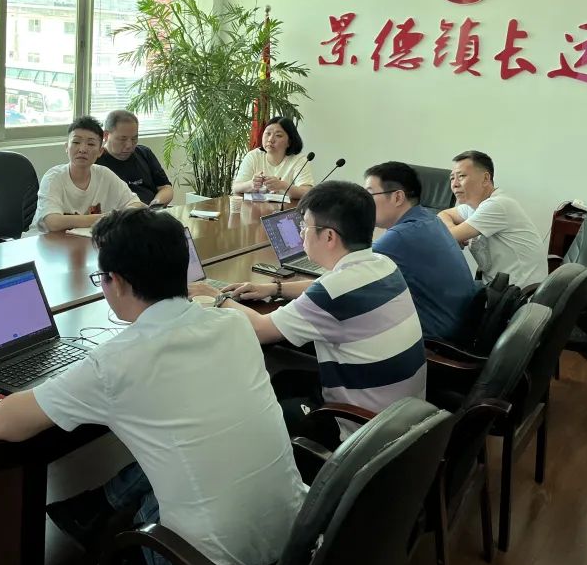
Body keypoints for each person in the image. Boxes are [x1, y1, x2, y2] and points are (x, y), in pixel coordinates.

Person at [0, 208, 305, 565]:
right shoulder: (234, 324)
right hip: (295, 542)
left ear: (118, 283)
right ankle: (95, 510)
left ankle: (98, 522)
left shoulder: (117, 362)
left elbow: (4, 425)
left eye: (102, 278)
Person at [197, 181, 426, 441]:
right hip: (404, 419)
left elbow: (261, 329)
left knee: (256, 412)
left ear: (329, 237)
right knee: (284, 376)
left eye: (304, 226)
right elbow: (326, 286)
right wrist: (275, 288)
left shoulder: (334, 291)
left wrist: (214, 295)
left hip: (361, 431)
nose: (301, 233)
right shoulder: (382, 263)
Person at [363, 162, 478, 342]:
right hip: (459, 325)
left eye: (369, 194)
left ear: (397, 197)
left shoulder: (400, 236)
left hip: (435, 341)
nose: (364, 202)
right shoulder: (429, 220)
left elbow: (348, 274)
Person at [437, 150, 547, 288]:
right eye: (452, 178)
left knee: (442, 290)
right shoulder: (473, 206)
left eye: (461, 176)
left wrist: (454, 234)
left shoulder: (497, 205)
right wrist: (453, 231)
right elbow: (443, 215)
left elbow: (446, 236)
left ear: (485, 178)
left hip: (518, 294)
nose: (454, 184)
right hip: (495, 287)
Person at [32, 116, 144, 233]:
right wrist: (105, 218)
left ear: (100, 151)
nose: (82, 149)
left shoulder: (104, 174)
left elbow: (137, 205)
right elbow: (52, 222)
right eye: (76, 142)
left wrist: (115, 217)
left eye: (90, 144)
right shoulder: (53, 177)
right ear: (66, 147)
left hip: (86, 240)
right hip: (44, 240)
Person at [96, 110, 173, 206]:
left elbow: (166, 187)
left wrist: (155, 205)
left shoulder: (144, 153)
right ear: (106, 135)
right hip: (119, 213)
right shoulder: (95, 161)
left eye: (134, 139)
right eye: (123, 139)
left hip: (151, 211)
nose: (129, 145)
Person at [231, 116, 313, 201]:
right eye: (268, 134)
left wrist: (282, 185)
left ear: (289, 142)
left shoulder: (299, 160)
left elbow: (307, 192)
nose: (270, 139)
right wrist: (251, 184)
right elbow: (235, 187)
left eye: (278, 135)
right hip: (256, 208)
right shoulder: (253, 156)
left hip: (288, 208)